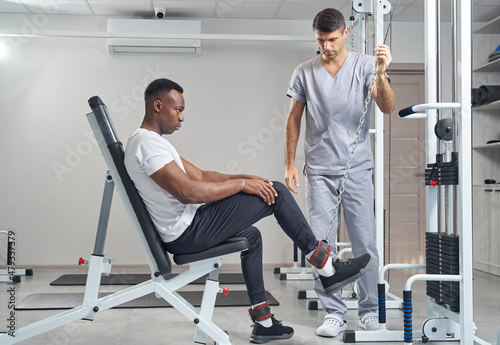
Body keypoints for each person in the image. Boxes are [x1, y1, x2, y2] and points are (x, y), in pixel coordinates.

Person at [124, 78, 372, 344]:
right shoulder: (147, 144)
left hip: (189, 226)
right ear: (158, 105)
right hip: (187, 232)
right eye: (178, 110)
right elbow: (189, 192)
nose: (182, 118)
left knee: (251, 237)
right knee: (276, 194)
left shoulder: (155, 143)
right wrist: (243, 185)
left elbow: (202, 175)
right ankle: (326, 266)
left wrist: (248, 178)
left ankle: (264, 322)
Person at [284, 8, 395, 338]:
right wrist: (289, 162)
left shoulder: (364, 65)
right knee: (321, 246)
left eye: (332, 40)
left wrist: (383, 73)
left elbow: (387, 106)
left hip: (356, 167)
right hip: (318, 170)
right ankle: (333, 312)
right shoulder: (304, 72)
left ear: (346, 33)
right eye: (320, 40)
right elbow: (293, 119)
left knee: (366, 243)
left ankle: (369, 310)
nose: (326, 47)